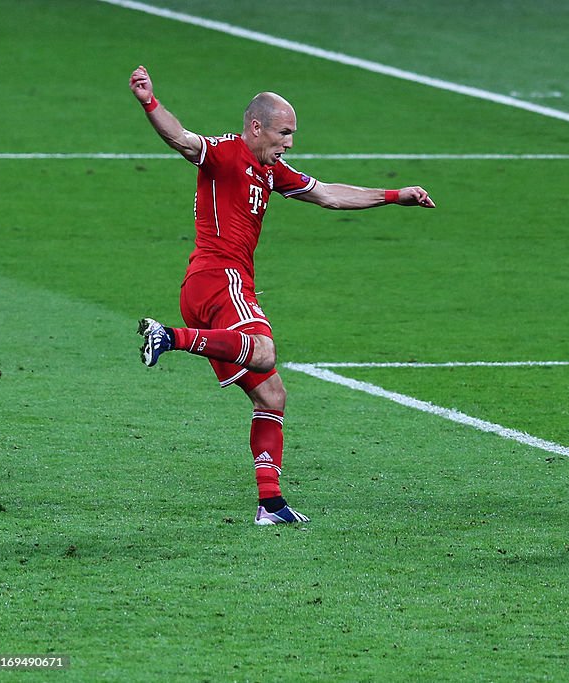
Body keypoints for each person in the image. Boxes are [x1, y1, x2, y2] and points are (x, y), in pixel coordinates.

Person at [129, 65, 435, 526]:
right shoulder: (223, 153)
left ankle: (270, 505)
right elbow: (181, 139)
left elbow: (330, 194)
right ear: (257, 127)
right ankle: (168, 337)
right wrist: (150, 101)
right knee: (265, 351)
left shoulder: (271, 172)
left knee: (272, 396)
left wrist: (394, 195)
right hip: (218, 277)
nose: (289, 142)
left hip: (216, 284)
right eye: (284, 132)